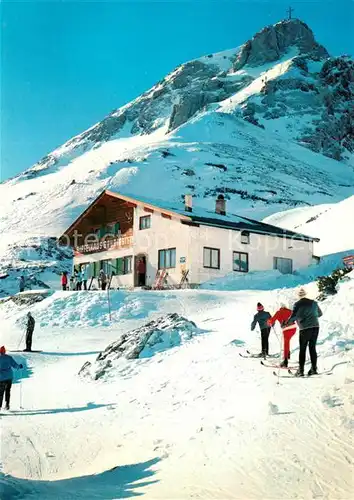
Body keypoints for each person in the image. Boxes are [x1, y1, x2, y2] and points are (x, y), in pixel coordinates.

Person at [286, 287, 323, 377]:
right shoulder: (314, 303)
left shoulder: (297, 304)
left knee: (302, 349)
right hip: (315, 327)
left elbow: (293, 317)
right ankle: (314, 369)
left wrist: (287, 322)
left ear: (298, 296)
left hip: (305, 328)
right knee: (312, 348)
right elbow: (320, 314)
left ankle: (301, 371)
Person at [267, 303, 297, 367]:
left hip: (287, 329)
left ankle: (285, 361)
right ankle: (288, 354)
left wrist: (269, 322)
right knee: (288, 341)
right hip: (294, 328)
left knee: (286, 343)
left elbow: (272, 320)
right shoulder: (290, 311)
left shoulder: (279, 312)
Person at [0, 346, 23, 410]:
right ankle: (7, 405)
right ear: (5, 351)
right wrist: (19, 366)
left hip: (1, 378)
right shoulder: (9, 358)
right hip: (9, 377)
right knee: (8, 391)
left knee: (0, 393)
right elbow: (15, 365)